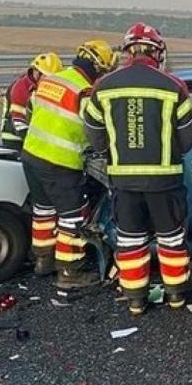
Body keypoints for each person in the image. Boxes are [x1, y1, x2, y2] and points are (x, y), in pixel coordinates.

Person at [82, 23, 192, 316]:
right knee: (171, 240)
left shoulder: (104, 86)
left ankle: (135, 301)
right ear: (157, 52)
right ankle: (176, 298)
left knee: (130, 242)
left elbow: (92, 128)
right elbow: (187, 141)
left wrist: (111, 152)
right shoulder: (174, 86)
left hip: (124, 182)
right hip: (165, 183)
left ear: (127, 51)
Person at [21, 40, 117, 287]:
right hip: (60, 162)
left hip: (31, 155)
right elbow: (95, 128)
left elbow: (32, 111)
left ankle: (44, 261)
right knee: (72, 217)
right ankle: (71, 272)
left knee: (43, 211)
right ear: (98, 67)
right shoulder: (84, 92)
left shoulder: (51, 80)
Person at [0, 52, 62, 151]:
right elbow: (19, 123)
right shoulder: (20, 88)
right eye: (48, 77)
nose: (52, 82)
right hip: (15, 139)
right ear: (36, 73)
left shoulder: (43, 87)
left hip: (33, 136)